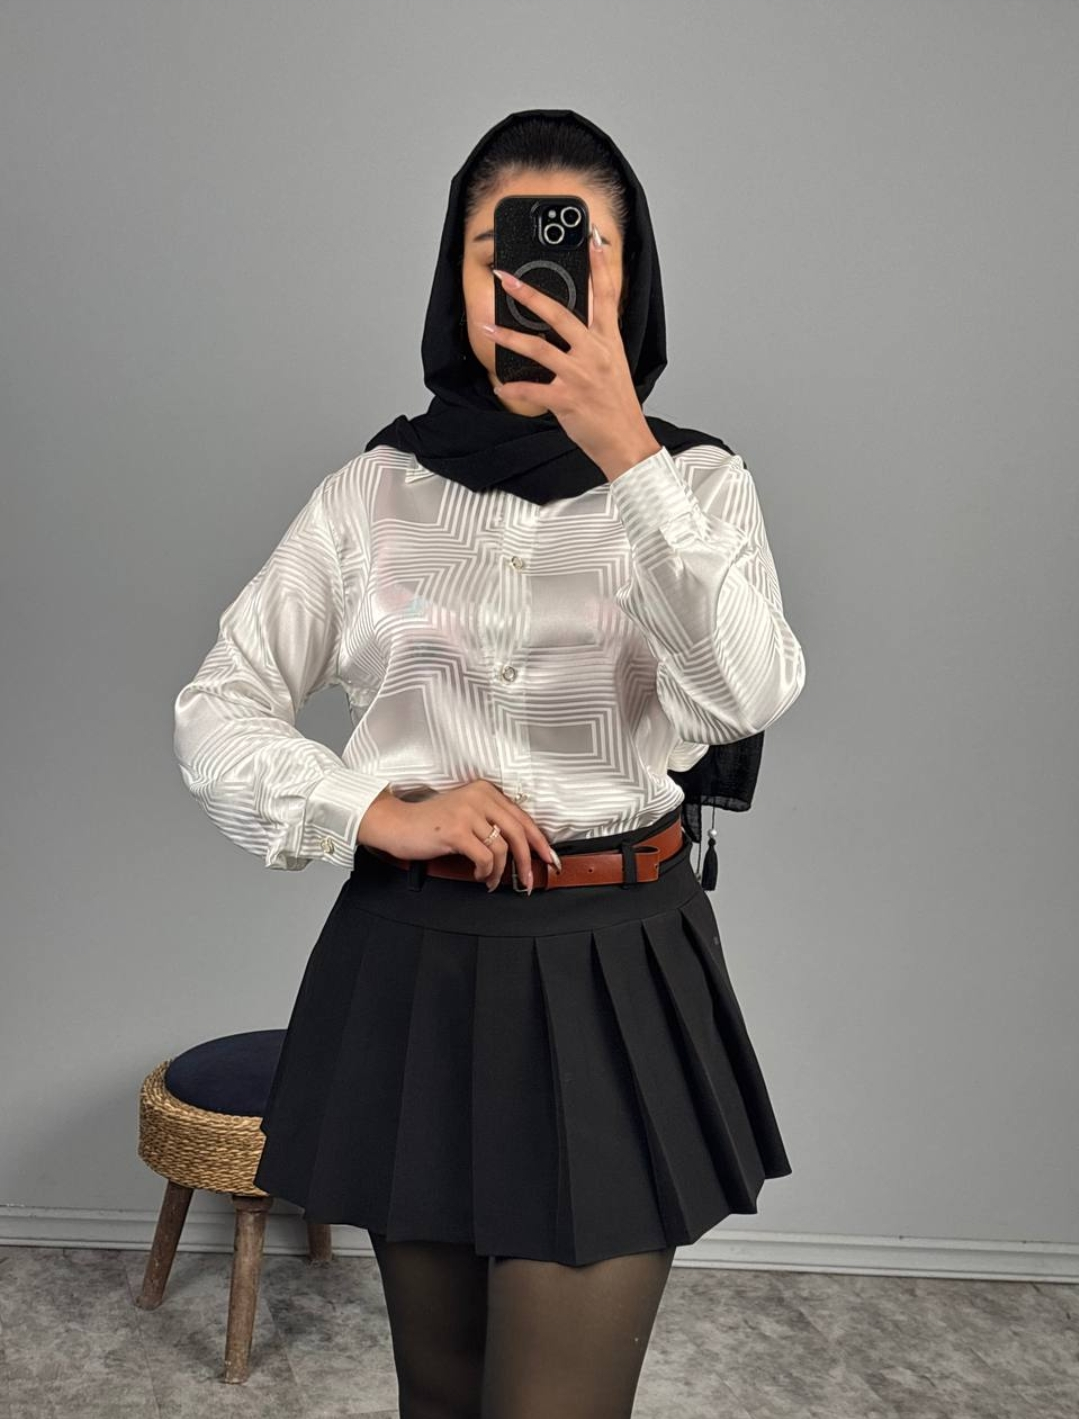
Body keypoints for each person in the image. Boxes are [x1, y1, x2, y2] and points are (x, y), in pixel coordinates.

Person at [173, 108, 806, 1419]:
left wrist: (627, 453)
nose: (536, 280)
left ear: (629, 278)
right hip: (413, 959)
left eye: (586, 250)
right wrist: (371, 809)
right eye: (495, 251)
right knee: (441, 1397)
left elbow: (748, 690)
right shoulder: (373, 495)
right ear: (455, 280)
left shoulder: (697, 485)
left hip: (615, 963)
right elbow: (217, 710)